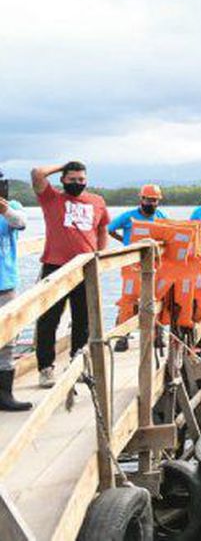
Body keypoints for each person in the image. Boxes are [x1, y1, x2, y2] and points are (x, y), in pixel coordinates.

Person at [31, 161, 110, 388]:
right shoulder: (52, 198)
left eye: (81, 179)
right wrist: (64, 165)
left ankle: (78, 364)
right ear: (63, 180)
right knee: (49, 320)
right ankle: (46, 368)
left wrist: (100, 255)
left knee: (83, 319)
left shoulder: (97, 201)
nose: (77, 183)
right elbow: (37, 174)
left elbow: (103, 228)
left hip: (85, 266)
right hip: (55, 266)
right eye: (72, 179)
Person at [0, 170, 31, 411]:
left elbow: (20, 222)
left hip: (5, 283)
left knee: (8, 340)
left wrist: (5, 209)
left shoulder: (12, 206)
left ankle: (5, 395)